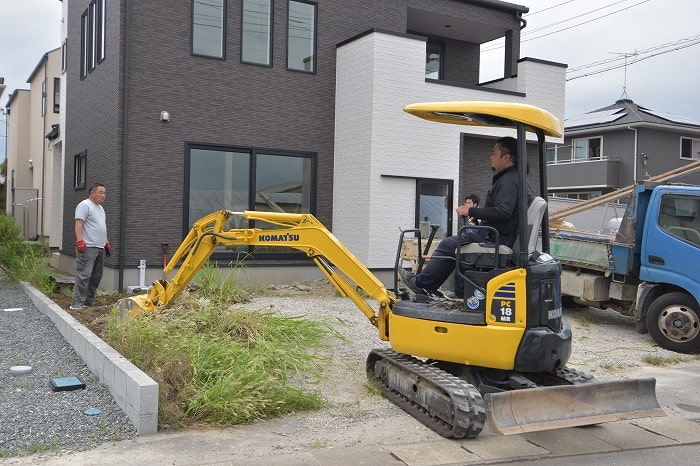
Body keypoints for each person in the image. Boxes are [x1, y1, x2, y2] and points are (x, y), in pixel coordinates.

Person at [401, 136, 529, 301]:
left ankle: (423, 284)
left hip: (497, 238)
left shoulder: (508, 181)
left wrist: (471, 211)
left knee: (449, 244)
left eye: (494, 152)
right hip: (500, 234)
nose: (491, 156)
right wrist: (477, 217)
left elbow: (503, 211)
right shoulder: (515, 179)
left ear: (506, 157)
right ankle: (457, 292)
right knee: (459, 242)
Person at [70, 183, 111, 310]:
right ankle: (77, 304)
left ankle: (87, 302)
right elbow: (79, 223)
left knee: (96, 277)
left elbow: (101, 228)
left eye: (104, 193)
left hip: (99, 247)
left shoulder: (100, 209)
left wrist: (106, 242)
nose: (103, 195)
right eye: (101, 192)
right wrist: (80, 241)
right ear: (92, 193)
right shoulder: (84, 205)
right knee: (84, 275)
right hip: (88, 247)